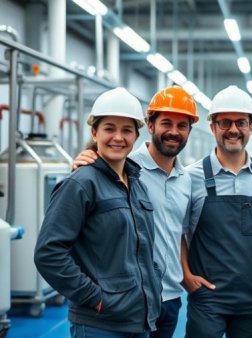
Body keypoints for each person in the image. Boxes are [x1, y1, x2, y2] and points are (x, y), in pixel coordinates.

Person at [71, 85, 200, 338]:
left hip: (171, 296)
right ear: (150, 126)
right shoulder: (125, 166)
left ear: (189, 131)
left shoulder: (187, 179)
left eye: (181, 126)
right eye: (166, 123)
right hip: (128, 298)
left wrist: (185, 275)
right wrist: (84, 160)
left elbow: (178, 233)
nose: (173, 132)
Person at [34, 87, 161, 338]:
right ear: (94, 132)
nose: (118, 137)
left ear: (136, 135)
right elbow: (48, 252)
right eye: (109, 128)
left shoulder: (136, 184)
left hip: (138, 320)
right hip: (99, 325)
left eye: (126, 130)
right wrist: (94, 297)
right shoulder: (81, 184)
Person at [181, 85, 252, 338]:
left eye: (241, 122)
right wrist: (186, 277)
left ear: (251, 127)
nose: (233, 130)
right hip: (207, 300)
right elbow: (178, 233)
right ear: (213, 126)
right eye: (225, 122)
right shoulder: (190, 177)